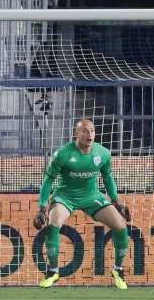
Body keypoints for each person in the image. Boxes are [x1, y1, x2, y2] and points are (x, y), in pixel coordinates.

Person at [34, 119, 131, 289]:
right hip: (65, 196)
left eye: (92, 131)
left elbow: (107, 177)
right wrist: (42, 207)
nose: (90, 134)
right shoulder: (63, 154)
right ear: (77, 134)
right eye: (85, 131)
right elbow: (48, 179)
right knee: (53, 222)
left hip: (91, 195)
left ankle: (118, 270)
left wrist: (117, 202)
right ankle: (53, 271)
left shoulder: (103, 153)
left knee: (121, 226)